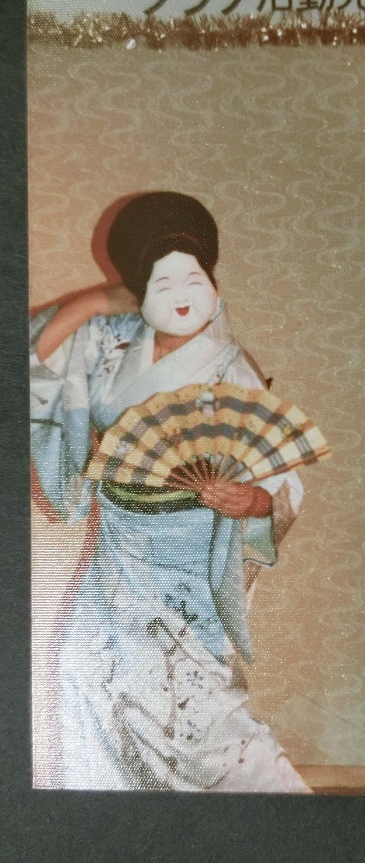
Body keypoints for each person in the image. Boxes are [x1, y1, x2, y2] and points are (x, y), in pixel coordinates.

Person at [30, 192, 310, 792]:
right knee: (87, 679)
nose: (181, 293)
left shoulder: (232, 368)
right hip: (115, 554)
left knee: (191, 711)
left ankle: (278, 818)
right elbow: (29, 357)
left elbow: (281, 479)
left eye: (193, 276)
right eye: (161, 280)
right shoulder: (110, 341)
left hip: (187, 560)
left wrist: (252, 501)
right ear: (137, 287)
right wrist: (94, 301)